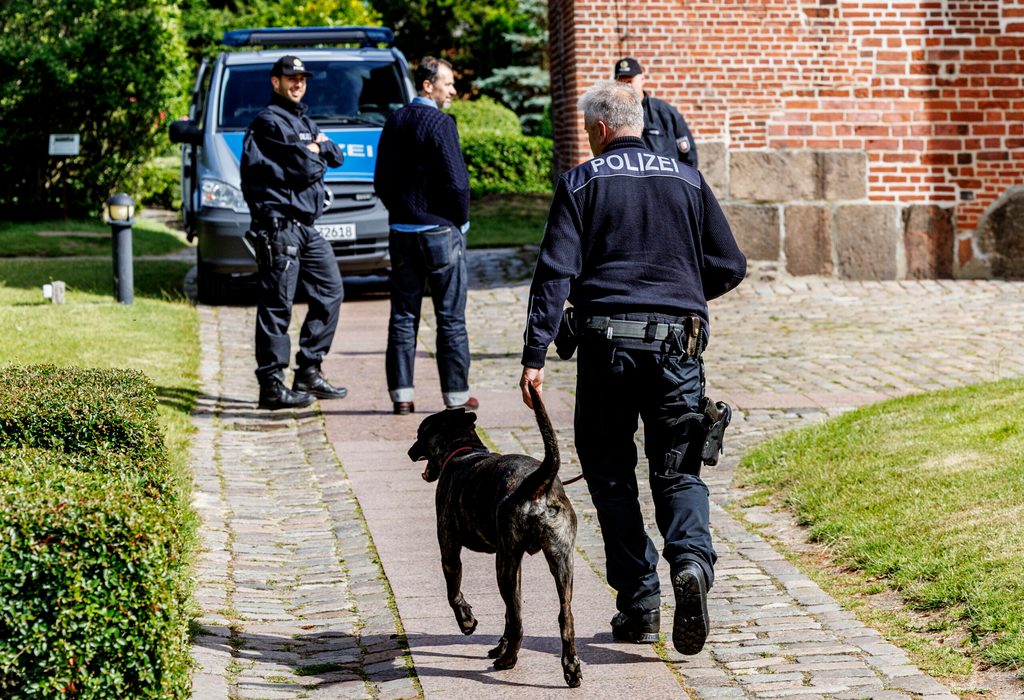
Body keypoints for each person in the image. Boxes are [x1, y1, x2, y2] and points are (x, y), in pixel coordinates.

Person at [518, 81, 745, 655]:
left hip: (607, 353)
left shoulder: (582, 182)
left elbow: (554, 276)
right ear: (638, 122)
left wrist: (534, 355)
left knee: (610, 474)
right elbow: (730, 264)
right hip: (678, 351)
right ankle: (691, 564)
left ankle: (640, 602)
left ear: (598, 128)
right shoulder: (688, 179)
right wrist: (685, 295)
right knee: (680, 470)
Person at [240, 55, 349, 410]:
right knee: (277, 306)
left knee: (330, 290)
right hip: (279, 227)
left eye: (302, 78)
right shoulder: (268, 122)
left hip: (305, 226)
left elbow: (336, 155)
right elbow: (304, 166)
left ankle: (308, 371)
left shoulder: (301, 119)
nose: (298, 83)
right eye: (291, 78)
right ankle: (271, 385)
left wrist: (315, 148)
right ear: (276, 82)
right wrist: (315, 150)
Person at [374, 56, 477, 415]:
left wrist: (400, 213)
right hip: (440, 231)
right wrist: (459, 222)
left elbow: (381, 181)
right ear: (427, 85)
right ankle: (456, 397)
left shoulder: (394, 120)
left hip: (401, 232)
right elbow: (458, 183)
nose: (453, 90)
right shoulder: (441, 123)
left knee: (403, 315)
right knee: (450, 316)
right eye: (448, 84)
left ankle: (402, 394)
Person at [614, 57, 698, 168]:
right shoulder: (613, 116)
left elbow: (689, 158)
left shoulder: (665, 114)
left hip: (664, 183)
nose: (627, 86)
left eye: (630, 81)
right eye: (622, 82)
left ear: (642, 80)